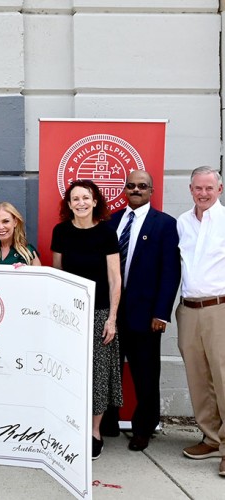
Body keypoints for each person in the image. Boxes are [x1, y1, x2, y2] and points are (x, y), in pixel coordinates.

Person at [99, 170, 180, 451]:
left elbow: (170, 272)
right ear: (124, 189)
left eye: (142, 186)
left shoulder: (165, 224)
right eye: (131, 186)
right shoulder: (111, 221)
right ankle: (107, 423)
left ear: (151, 190)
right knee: (109, 371)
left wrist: (161, 313)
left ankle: (144, 428)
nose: (136, 190)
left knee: (145, 374)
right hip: (110, 312)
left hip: (145, 315)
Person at [51, 179, 123, 460]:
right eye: (75, 199)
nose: (80, 203)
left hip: (100, 313)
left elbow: (115, 278)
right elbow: (57, 272)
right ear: (68, 205)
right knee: (69, 372)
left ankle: (94, 432)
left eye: (86, 198)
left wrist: (112, 318)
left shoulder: (106, 233)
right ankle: (70, 426)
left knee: (98, 374)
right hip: (70, 314)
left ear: (95, 202)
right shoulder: (61, 232)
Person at [176, 166, 225, 476]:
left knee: (223, 377)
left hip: (219, 308)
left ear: (219, 190)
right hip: (188, 309)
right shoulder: (182, 222)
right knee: (197, 377)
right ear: (191, 189)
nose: (204, 193)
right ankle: (210, 437)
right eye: (198, 188)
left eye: (209, 188)